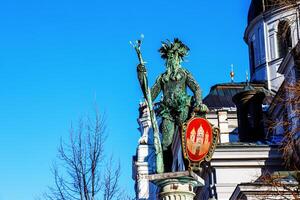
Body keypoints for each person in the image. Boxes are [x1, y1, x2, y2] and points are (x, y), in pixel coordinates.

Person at [137, 38, 208, 172]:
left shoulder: (184, 73)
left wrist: (198, 103)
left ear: (178, 58)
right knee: (166, 143)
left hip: (183, 108)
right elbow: (150, 95)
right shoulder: (162, 78)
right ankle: (168, 170)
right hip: (167, 111)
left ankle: (190, 165)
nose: (170, 60)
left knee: (185, 136)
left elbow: (197, 88)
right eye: (168, 58)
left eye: (172, 57)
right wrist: (141, 76)